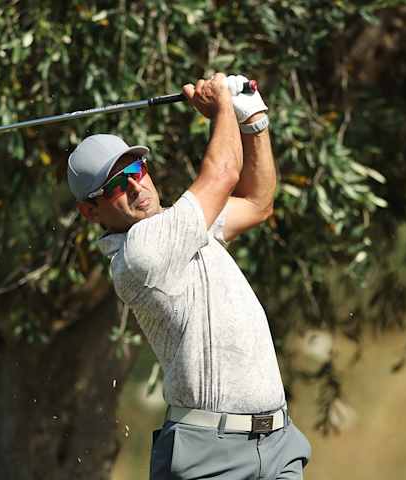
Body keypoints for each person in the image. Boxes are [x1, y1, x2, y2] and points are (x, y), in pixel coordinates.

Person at [67, 73, 311, 479]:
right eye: (114, 185)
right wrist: (221, 108)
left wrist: (254, 123)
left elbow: (257, 202)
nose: (135, 185)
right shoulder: (141, 253)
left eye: (136, 167)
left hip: (277, 442)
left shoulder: (180, 226)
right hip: (209, 457)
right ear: (90, 211)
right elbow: (223, 174)